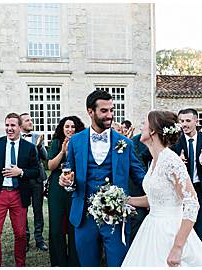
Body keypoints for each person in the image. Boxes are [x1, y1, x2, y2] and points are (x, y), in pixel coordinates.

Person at [59, 90, 146, 267]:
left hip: (116, 216)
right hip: (84, 216)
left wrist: (162, 186)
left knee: (118, 264)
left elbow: (141, 177)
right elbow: (70, 173)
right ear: (90, 112)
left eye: (112, 110)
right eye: (104, 111)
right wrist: (67, 182)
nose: (110, 115)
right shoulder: (75, 141)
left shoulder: (125, 143)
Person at [122, 110, 202, 267]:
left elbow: (192, 203)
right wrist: (125, 199)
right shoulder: (155, 161)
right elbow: (155, 198)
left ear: (153, 130)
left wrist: (177, 247)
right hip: (151, 227)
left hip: (170, 230)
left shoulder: (171, 160)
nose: (141, 127)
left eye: (144, 123)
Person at [0, 113, 43, 267]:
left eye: (13, 125)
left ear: (20, 127)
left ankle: (20, 265)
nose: (9, 128)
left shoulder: (29, 148)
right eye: (7, 125)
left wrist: (20, 172)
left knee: (20, 234)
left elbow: (36, 171)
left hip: (18, 194)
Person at [172, 108, 202, 246]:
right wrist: (178, 163)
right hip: (180, 191)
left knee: (200, 230)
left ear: (196, 121)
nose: (184, 124)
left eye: (188, 121)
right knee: (181, 229)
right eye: (182, 121)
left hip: (200, 190)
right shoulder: (175, 141)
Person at [45, 116, 84, 266]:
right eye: (67, 126)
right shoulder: (56, 143)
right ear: (62, 128)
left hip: (76, 187)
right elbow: (50, 166)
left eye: (73, 127)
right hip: (57, 189)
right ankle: (58, 262)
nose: (70, 129)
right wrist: (62, 152)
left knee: (74, 225)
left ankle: (75, 261)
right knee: (56, 226)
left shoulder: (81, 143)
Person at [18, 112, 49, 251]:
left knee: (38, 210)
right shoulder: (17, 139)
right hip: (23, 179)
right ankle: (24, 240)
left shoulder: (37, 137)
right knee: (22, 210)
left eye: (31, 120)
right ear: (20, 125)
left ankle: (39, 239)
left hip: (37, 179)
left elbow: (45, 157)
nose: (31, 122)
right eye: (27, 120)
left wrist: (40, 146)